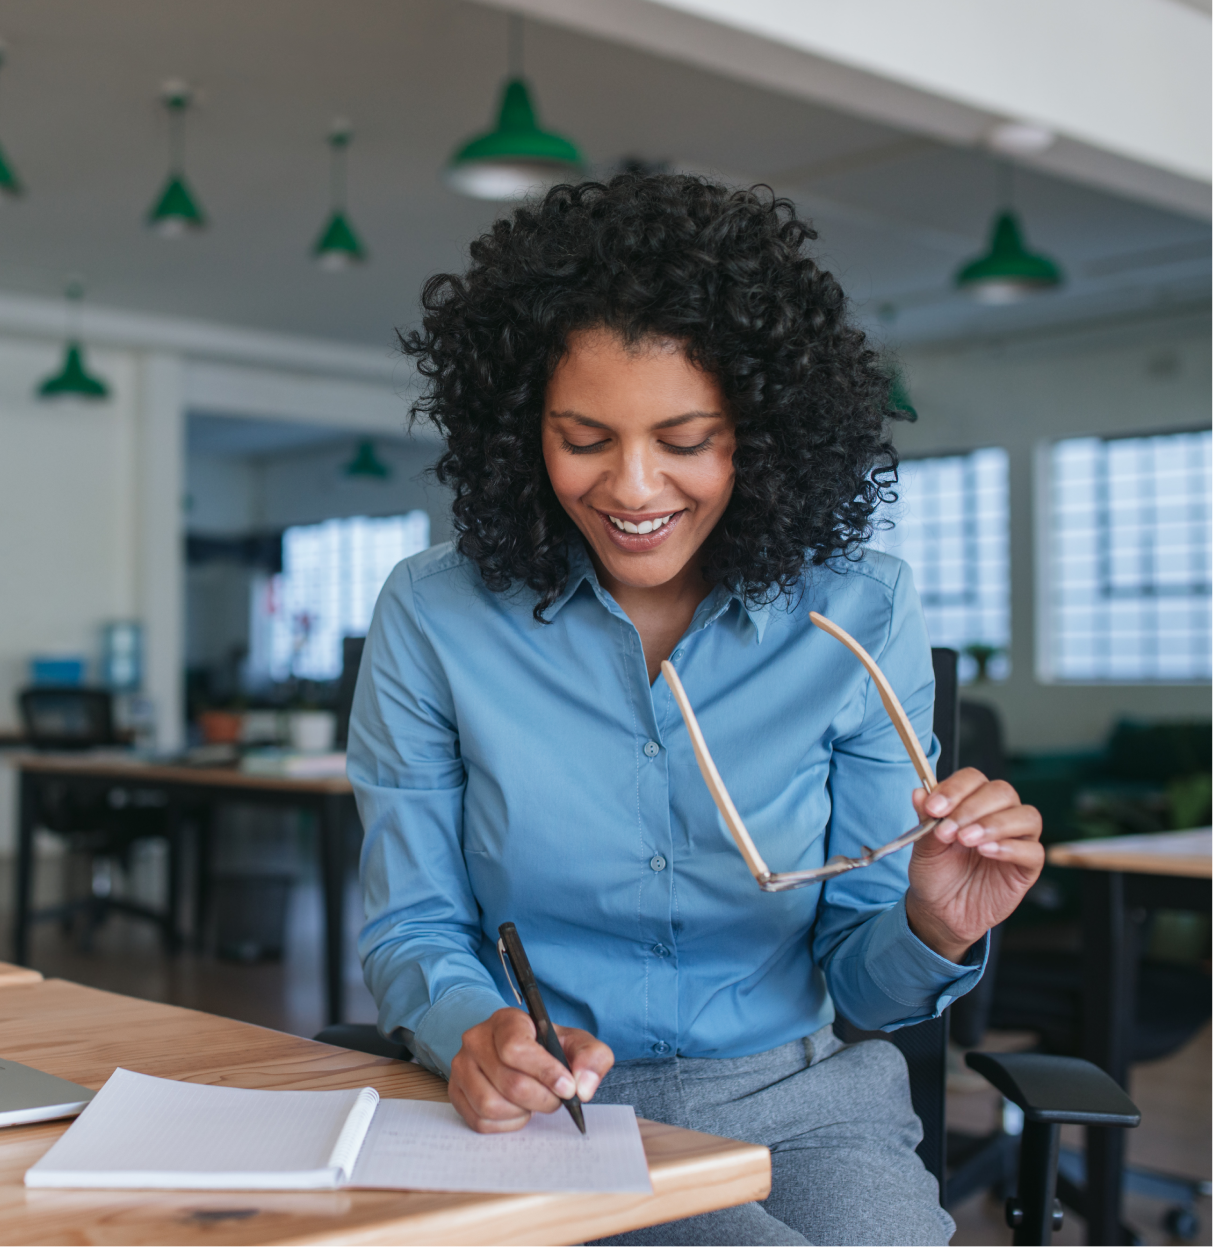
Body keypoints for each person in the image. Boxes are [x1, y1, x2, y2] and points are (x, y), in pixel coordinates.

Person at [348, 174, 1043, 1247]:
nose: (632, 487)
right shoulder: (433, 615)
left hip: (805, 1106)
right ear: (517, 429)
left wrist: (932, 923)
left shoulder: (860, 611)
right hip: (553, 1110)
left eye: (686, 439)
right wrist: (471, 1029)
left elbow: (869, 972)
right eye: (583, 437)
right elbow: (414, 920)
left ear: (759, 434)